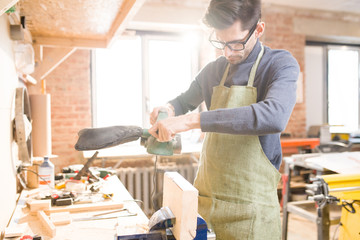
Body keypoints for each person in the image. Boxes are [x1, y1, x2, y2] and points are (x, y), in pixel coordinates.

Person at [148, 0, 299, 239]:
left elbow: (274, 116)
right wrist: (167, 109)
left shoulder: (279, 64)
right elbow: (182, 101)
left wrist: (191, 121)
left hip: (253, 212)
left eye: (236, 44)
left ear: (258, 30)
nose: (227, 53)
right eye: (221, 43)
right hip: (205, 205)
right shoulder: (213, 70)